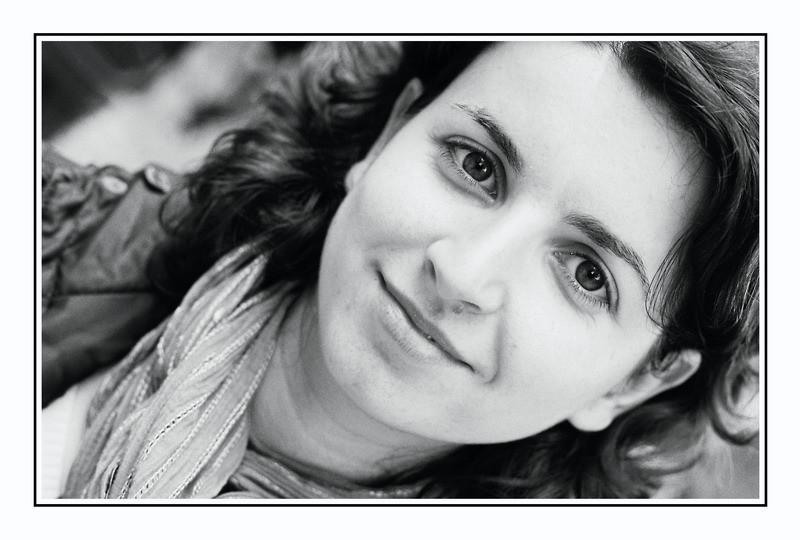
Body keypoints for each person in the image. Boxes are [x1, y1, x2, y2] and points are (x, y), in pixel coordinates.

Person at [41, 40, 759, 499]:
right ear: (388, 136)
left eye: (587, 274)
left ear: (635, 382)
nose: (464, 273)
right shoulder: (50, 232)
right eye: (476, 165)